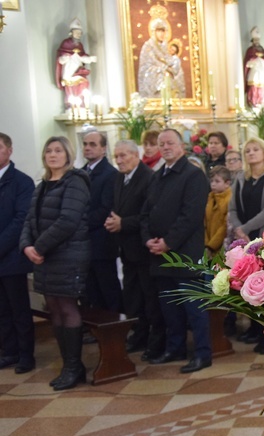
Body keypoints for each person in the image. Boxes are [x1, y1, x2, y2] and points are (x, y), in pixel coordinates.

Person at [20, 137, 90, 391]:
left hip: (68, 254)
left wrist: (38, 247)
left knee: (67, 307)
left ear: (68, 154)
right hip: (46, 256)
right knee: (54, 308)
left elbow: (68, 220)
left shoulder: (75, 181)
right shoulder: (43, 185)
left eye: (58, 150)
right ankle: (69, 365)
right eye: (48, 150)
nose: (53, 154)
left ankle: (74, 367)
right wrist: (27, 246)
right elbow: (30, 219)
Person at [140, 129, 212, 373]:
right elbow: (146, 213)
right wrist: (148, 239)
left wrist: (168, 242)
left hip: (185, 254)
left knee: (194, 307)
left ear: (181, 146)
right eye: (162, 143)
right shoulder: (156, 176)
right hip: (159, 255)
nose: (165, 146)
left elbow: (190, 216)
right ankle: (175, 348)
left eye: (170, 142)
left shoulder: (193, 175)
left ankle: (203, 353)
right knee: (169, 307)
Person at [106, 140, 164, 359]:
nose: (119, 161)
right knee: (132, 297)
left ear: (135, 154)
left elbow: (147, 214)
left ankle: (156, 341)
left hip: (144, 249)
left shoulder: (148, 177)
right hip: (127, 249)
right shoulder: (120, 177)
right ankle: (139, 335)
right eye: (116, 157)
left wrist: (123, 223)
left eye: (123, 156)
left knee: (150, 298)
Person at [229, 137, 264, 353]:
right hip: (244, 238)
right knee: (249, 282)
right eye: (247, 150)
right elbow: (232, 208)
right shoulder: (240, 179)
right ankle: (254, 328)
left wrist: (246, 228)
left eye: (255, 150)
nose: (251, 153)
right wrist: (239, 229)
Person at [0, 133, 35, 373]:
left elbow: (21, 220)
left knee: (19, 308)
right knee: (1, 310)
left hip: (12, 256)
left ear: (9, 150)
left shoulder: (21, 182)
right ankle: (9, 351)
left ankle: (26, 355)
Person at [81, 131, 121, 312]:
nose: (87, 148)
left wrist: (79, 223)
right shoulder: (81, 173)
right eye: (85, 144)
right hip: (83, 242)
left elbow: (106, 209)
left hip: (102, 241)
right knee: (91, 290)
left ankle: (115, 329)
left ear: (104, 149)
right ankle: (97, 329)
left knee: (108, 289)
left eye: (93, 144)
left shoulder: (110, 174)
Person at [55, 18, 96, 106]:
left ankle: (82, 104)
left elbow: (82, 56)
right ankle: (71, 105)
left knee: (84, 83)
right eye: (76, 33)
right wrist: (65, 58)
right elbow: (60, 58)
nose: (78, 35)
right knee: (70, 86)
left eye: (80, 33)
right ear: (71, 33)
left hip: (78, 71)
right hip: (69, 71)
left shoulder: (80, 45)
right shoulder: (65, 43)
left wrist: (90, 59)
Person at [243, 26, 264, 107]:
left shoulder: (262, 50)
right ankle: (253, 104)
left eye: (258, 40)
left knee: (262, 90)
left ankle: (260, 103)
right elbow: (247, 62)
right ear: (253, 41)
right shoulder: (250, 50)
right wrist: (254, 61)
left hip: (262, 73)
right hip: (255, 72)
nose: (257, 42)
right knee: (253, 89)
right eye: (255, 40)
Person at [138, 17, 170, 98]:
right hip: (155, 86)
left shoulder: (167, 47)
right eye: (159, 31)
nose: (161, 34)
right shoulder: (148, 47)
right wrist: (161, 70)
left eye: (163, 31)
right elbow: (145, 69)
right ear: (153, 32)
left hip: (168, 84)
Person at [204, 166, 232, 257]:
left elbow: (225, 226)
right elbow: (204, 221)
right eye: (211, 181)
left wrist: (212, 245)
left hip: (222, 246)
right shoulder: (210, 198)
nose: (213, 184)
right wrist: (206, 243)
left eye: (217, 181)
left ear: (227, 183)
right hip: (207, 244)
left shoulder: (230, 200)